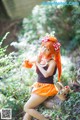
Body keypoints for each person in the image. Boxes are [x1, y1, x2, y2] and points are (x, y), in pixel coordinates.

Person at [23, 35, 62, 120]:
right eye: (43, 47)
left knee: (27, 108)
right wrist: (29, 62)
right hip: (38, 86)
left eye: (47, 49)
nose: (44, 50)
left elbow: (46, 74)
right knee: (29, 110)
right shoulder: (41, 59)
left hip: (46, 88)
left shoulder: (52, 62)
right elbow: (27, 63)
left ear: (52, 52)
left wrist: (37, 63)